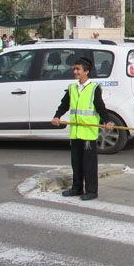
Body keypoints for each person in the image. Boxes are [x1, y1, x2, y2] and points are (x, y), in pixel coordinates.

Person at [51, 58, 115, 200]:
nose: (75, 72)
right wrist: (57, 116)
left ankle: (91, 191)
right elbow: (64, 104)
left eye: (78, 69)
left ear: (86, 71)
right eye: (75, 69)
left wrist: (108, 120)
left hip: (88, 134)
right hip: (75, 132)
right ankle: (77, 188)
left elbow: (100, 107)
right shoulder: (72, 88)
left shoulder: (94, 88)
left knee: (89, 165)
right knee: (76, 163)